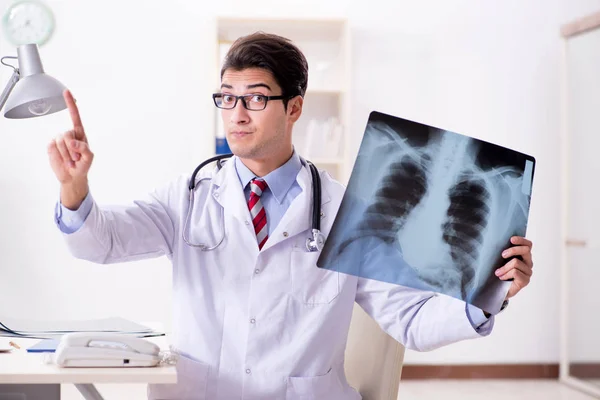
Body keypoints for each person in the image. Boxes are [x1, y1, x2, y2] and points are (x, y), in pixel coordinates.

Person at [48, 32, 534, 400]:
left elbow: (409, 319)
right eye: (227, 97)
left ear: (294, 107)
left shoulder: (349, 209)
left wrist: (489, 294)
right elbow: (101, 242)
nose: (237, 113)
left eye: (256, 97)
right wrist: (75, 190)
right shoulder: (190, 196)